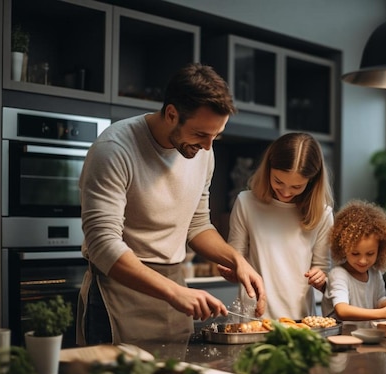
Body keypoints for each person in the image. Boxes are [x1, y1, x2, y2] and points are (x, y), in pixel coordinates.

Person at [76, 63, 266, 346]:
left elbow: (197, 224)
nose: (208, 146)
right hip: (120, 291)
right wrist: (174, 292)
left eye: (217, 136)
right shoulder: (114, 149)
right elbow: (104, 245)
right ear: (171, 114)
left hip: (175, 288)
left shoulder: (203, 152)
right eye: (201, 134)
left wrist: (237, 260)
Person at [219, 132, 334, 319]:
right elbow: (236, 259)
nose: (286, 192)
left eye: (297, 186)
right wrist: (232, 271)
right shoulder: (246, 203)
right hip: (252, 318)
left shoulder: (322, 214)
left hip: (300, 321)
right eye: (279, 182)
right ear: (268, 169)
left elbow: (322, 270)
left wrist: (320, 278)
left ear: (312, 181)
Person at [322, 199, 386, 329]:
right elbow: (342, 310)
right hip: (339, 339)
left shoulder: (375, 273)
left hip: (364, 338)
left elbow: (379, 301)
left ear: (381, 250)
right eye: (355, 254)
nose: (363, 261)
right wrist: (382, 313)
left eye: (370, 254)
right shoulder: (339, 275)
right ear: (343, 248)